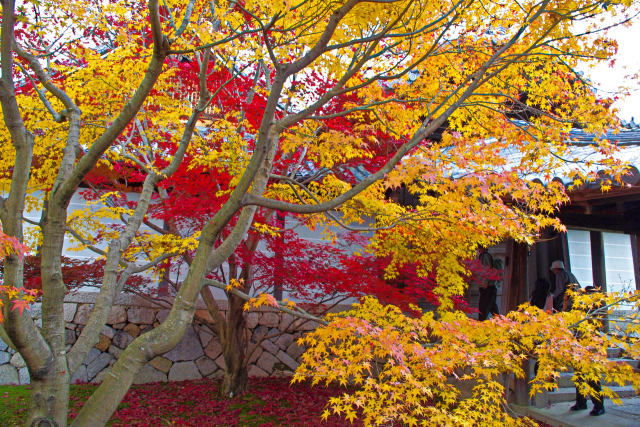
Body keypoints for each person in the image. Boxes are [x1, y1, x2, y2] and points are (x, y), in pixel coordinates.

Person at [571, 285, 605, 416]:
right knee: (578, 375)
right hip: (579, 343)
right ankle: (581, 401)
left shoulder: (595, 310)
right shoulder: (580, 309)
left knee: (592, 377)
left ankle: (598, 405)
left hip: (591, 344)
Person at [478, 248, 499, 320]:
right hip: (491, 286)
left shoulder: (484, 256)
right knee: (492, 307)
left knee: (483, 308)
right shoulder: (488, 256)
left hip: (487, 287)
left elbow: (486, 270)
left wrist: (484, 284)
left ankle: (481, 325)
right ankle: (500, 323)